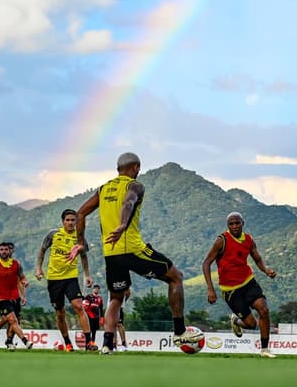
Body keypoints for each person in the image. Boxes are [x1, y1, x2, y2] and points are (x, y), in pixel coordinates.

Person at [68, 152, 203, 354]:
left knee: (116, 298)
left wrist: (80, 242)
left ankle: (106, 345)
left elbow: (80, 213)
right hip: (132, 249)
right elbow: (128, 202)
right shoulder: (135, 185)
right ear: (136, 167)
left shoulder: (104, 189)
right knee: (176, 277)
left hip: (111, 253)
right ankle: (179, 331)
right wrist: (123, 224)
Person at [202, 211, 278, 358]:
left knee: (264, 309)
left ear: (243, 223)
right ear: (227, 226)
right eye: (231, 224)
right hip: (230, 290)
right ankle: (236, 320)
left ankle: (265, 350)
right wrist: (210, 289)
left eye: (237, 223)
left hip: (248, 282)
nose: (235, 226)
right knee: (251, 324)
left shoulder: (249, 239)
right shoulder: (221, 241)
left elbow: (257, 259)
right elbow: (206, 263)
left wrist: (266, 269)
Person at [35, 209, 95, 352]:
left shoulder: (79, 237)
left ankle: (89, 342)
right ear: (63, 221)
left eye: (73, 220)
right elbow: (42, 250)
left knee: (79, 306)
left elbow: (84, 256)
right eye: (67, 220)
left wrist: (87, 275)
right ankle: (67, 343)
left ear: (76, 222)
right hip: (54, 279)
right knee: (60, 313)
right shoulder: (53, 234)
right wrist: (39, 268)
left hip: (71, 278)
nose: (70, 222)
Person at [0, 242, 33, 350]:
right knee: (12, 320)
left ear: (10, 251)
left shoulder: (17, 264)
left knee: (11, 320)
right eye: (1, 249)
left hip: (15, 297)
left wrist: (25, 284)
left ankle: (7, 340)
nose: (4, 251)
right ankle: (26, 342)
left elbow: (22, 279)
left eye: (6, 249)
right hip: (2, 297)